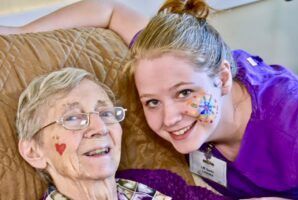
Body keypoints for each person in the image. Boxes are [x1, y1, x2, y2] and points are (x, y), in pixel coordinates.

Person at [3, 0, 298, 198]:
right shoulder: (164, 59)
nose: (169, 119)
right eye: (152, 102)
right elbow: (111, 10)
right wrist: (17, 32)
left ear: (222, 78)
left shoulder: (290, 123)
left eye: (185, 93)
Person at [16, 67, 225, 200]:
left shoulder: (154, 182)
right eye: (72, 118)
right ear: (33, 152)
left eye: (106, 113)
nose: (100, 128)